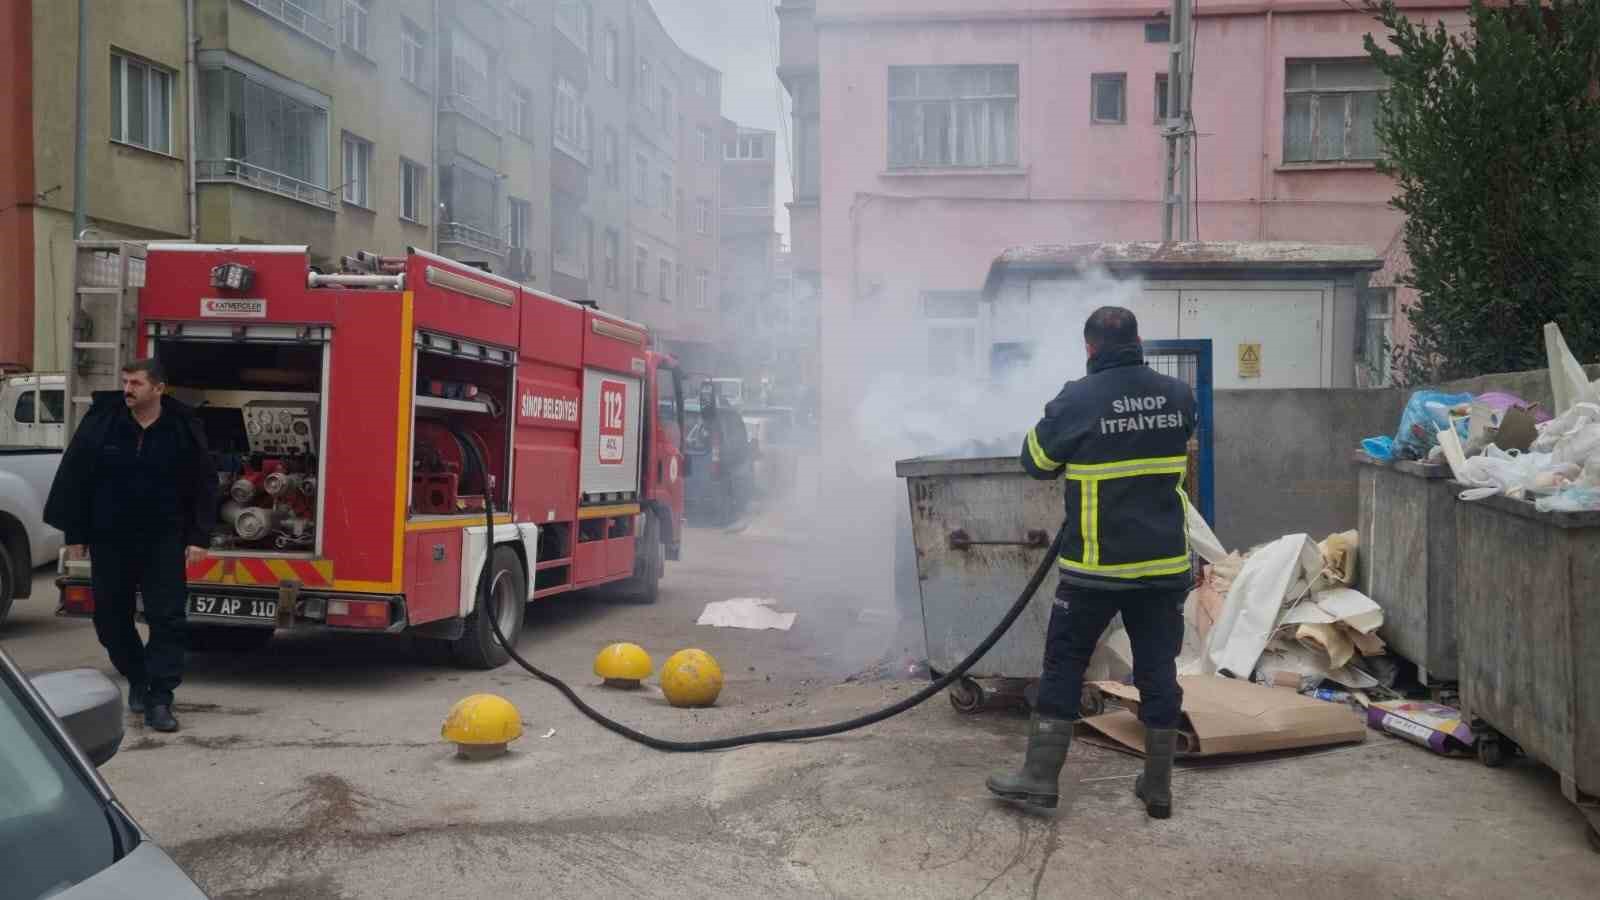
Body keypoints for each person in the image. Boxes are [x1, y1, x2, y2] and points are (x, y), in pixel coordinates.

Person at [987, 307, 1197, 819]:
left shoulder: (1078, 399)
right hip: (1163, 566)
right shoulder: (1179, 395)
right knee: (1158, 671)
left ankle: (1040, 779)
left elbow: (1036, 462)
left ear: (1089, 348)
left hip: (1095, 570)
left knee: (1064, 666)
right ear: (1139, 341)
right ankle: (1158, 787)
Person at [44, 358, 216, 733]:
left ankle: (160, 698)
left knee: (167, 619)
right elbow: (76, 475)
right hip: (110, 538)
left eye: (136, 383)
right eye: (125, 382)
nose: (127, 389)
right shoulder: (103, 421)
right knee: (109, 619)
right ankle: (138, 676)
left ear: (158, 388)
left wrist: (199, 536)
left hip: (163, 539)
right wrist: (76, 533)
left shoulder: (182, 426)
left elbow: (203, 482)